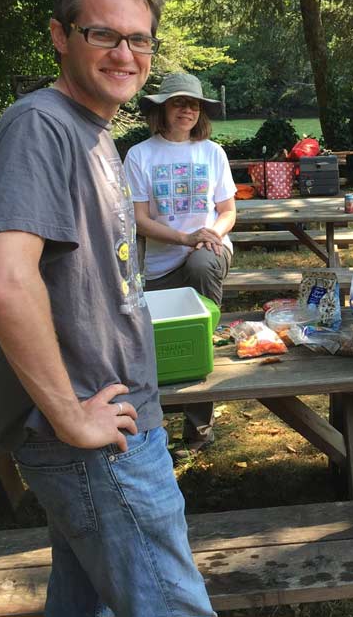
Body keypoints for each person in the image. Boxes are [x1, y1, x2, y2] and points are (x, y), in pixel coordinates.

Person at [0, 0, 215, 617]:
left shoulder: (97, 134)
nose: (125, 53)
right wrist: (70, 415)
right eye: (103, 34)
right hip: (95, 438)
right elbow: (3, 280)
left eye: (139, 39)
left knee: (87, 605)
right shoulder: (39, 126)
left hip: (114, 418)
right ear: (60, 35)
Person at [125, 72, 236, 457]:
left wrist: (210, 235)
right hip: (160, 262)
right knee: (153, 346)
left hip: (208, 253)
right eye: (178, 102)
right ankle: (151, 429)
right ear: (162, 110)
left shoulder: (213, 153)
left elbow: (228, 211)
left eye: (194, 104)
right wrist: (185, 238)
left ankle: (198, 429)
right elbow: (138, 219)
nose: (187, 109)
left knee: (200, 282)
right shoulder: (140, 155)